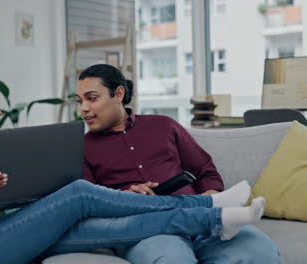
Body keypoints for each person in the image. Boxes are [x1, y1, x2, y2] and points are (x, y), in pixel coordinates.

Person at [0, 69, 265, 264]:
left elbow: (8, 200)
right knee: (80, 194)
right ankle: (208, 206)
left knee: (119, 226)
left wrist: (28, 191)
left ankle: (218, 219)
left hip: (13, 229)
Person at [75, 64, 281, 264]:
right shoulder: (81, 148)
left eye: (92, 98)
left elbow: (205, 171)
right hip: (147, 230)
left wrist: (209, 193)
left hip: (201, 219)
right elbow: (90, 206)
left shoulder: (164, 125)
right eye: (80, 101)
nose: (84, 108)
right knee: (173, 259)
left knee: (259, 252)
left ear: (118, 94)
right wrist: (125, 195)